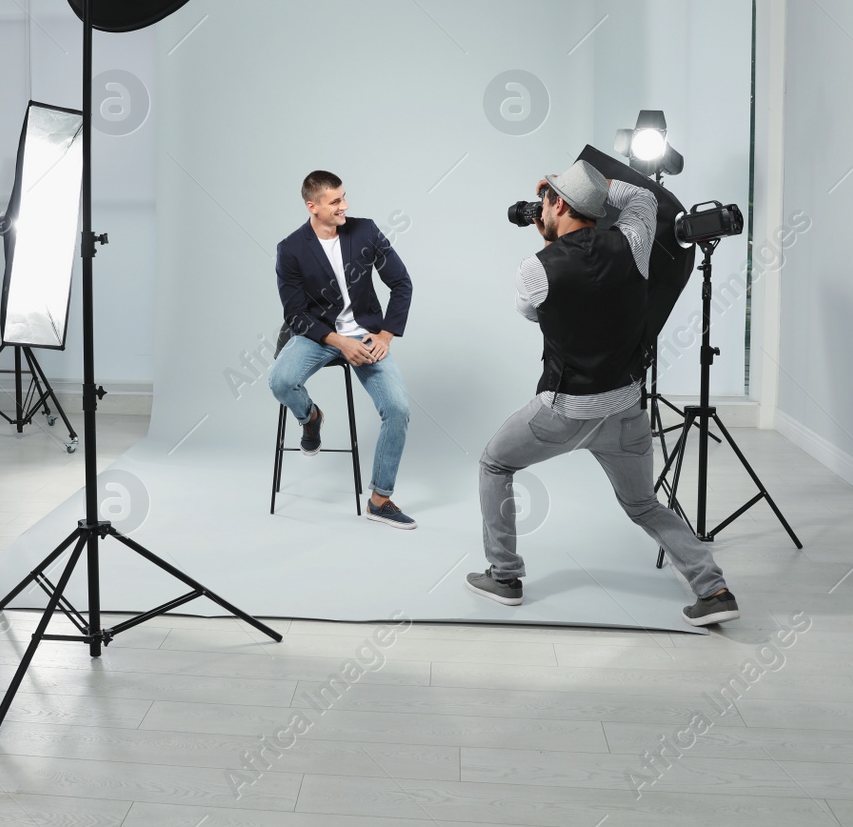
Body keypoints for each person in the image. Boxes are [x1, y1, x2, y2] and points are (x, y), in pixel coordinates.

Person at [465, 159, 739, 626]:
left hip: (563, 411)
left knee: (495, 463)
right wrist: (587, 188)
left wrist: (550, 240)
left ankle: (505, 576)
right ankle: (712, 589)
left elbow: (532, 312)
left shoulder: (535, 268)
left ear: (556, 205)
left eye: (549, 200)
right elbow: (643, 197)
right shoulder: (634, 243)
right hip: (626, 408)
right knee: (643, 505)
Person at [270, 170, 415, 528]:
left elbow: (401, 283)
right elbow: (295, 314)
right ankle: (311, 418)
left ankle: (380, 500)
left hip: (366, 334)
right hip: (316, 333)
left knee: (397, 409)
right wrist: (339, 342)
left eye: (344, 197)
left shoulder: (365, 231)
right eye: (335, 201)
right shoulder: (290, 249)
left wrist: (384, 335)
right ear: (313, 206)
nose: (344, 206)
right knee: (281, 381)